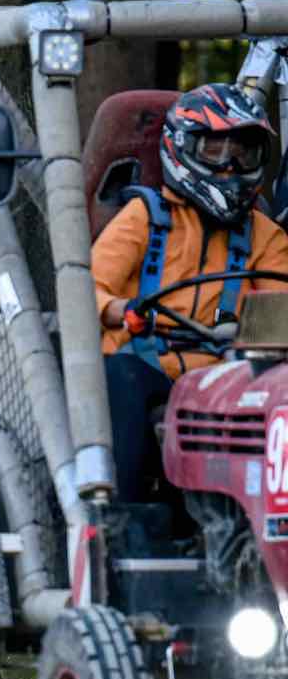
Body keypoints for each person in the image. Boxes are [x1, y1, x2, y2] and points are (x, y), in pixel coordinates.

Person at [93, 82, 288, 499]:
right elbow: (88, 289)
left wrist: (262, 338)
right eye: (216, 150)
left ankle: (257, 518)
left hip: (223, 377)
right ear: (181, 148)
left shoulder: (265, 235)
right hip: (148, 366)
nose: (230, 166)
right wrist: (119, 309)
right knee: (121, 377)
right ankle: (121, 518)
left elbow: (281, 309)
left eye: (244, 153)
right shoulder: (143, 216)